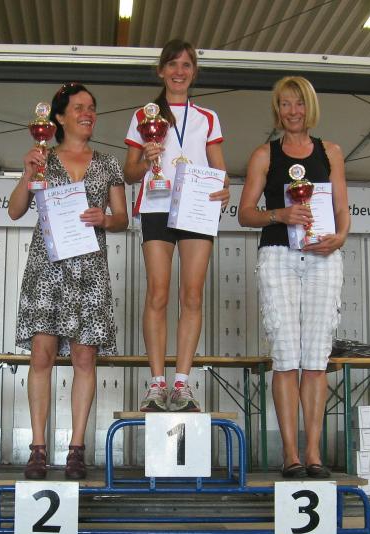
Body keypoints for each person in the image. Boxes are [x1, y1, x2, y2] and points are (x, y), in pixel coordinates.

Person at [9, 82, 128, 480]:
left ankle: (76, 448)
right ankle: (38, 449)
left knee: (84, 358)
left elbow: (123, 219)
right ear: (58, 117)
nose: (87, 113)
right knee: (41, 356)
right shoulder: (42, 158)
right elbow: (15, 210)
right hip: (47, 268)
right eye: (78, 107)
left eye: (91, 107)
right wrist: (28, 172)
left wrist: (104, 219)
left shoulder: (108, 162)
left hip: (89, 271)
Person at [237, 76, 350, 479]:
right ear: (277, 110)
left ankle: (314, 452)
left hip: (322, 256)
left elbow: (342, 209)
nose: (292, 111)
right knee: (285, 356)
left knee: (316, 358)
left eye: (299, 104)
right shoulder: (263, 155)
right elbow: (245, 213)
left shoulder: (331, 152)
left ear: (309, 108)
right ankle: (290, 454)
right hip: (278, 255)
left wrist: (339, 237)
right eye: (285, 104)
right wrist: (279, 214)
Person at [123, 39, 230, 413]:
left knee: (193, 295)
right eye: (172, 64)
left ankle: (182, 383)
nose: (179, 71)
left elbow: (220, 169)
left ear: (194, 72)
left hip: (197, 207)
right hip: (156, 204)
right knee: (157, 292)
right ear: (161, 71)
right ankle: (156, 384)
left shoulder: (208, 117)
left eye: (186, 65)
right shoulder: (144, 115)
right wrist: (146, 159)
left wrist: (224, 188)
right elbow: (129, 172)